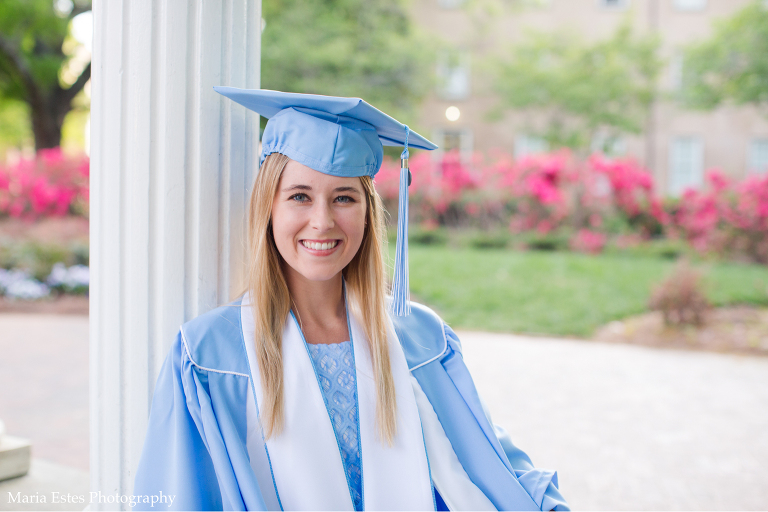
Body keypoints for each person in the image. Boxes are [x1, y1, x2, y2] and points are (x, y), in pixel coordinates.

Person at [133, 88, 569, 511]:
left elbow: (488, 458)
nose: (321, 221)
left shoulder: (422, 339)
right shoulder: (209, 355)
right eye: (299, 196)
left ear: (367, 210)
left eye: (344, 197)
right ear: (268, 206)